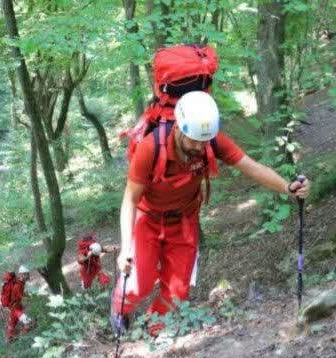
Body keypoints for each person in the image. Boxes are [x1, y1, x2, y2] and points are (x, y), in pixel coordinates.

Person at [112, 91, 310, 334]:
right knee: (138, 285)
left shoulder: (211, 142)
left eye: (203, 141)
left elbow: (252, 167)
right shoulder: (150, 147)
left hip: (184, 222)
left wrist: (287, 188)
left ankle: (152, 333)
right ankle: (119, 310)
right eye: (193, 140)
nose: (199, 147)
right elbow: (130, 199)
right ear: (178, 129)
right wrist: (124, 249)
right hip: (148, 220)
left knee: (177, 293)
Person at [0, 265, 35, 342]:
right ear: (21, 274)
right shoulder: (18, 285)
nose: (27, 276)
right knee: (27, 321)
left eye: (27, 274)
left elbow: (20, 294)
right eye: (26, 274)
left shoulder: (20, 283)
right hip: (15, 307)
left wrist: (27, 295)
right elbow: (19, 295)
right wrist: (29, 297)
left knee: (12, 322)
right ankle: (24, 336)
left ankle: (9, 338)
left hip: (15, 306)